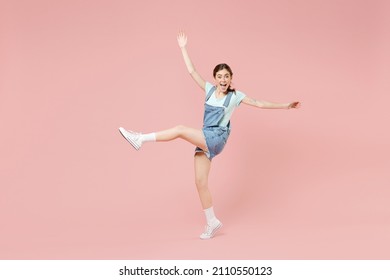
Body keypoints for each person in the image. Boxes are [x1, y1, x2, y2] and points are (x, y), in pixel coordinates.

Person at [119, 31, 300, 240]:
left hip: (217, 137)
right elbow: (191, 71)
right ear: (215, 79)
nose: (223, 80)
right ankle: (212, 222)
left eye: (226, 76)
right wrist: (183, 48)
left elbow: (259, 103)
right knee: (200, 182)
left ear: (231, 78)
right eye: (219, 76)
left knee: (179, 129)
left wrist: (286, 105)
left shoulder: (235, 96)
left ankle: (140, 138)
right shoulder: (208, 90)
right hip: (205, 137)